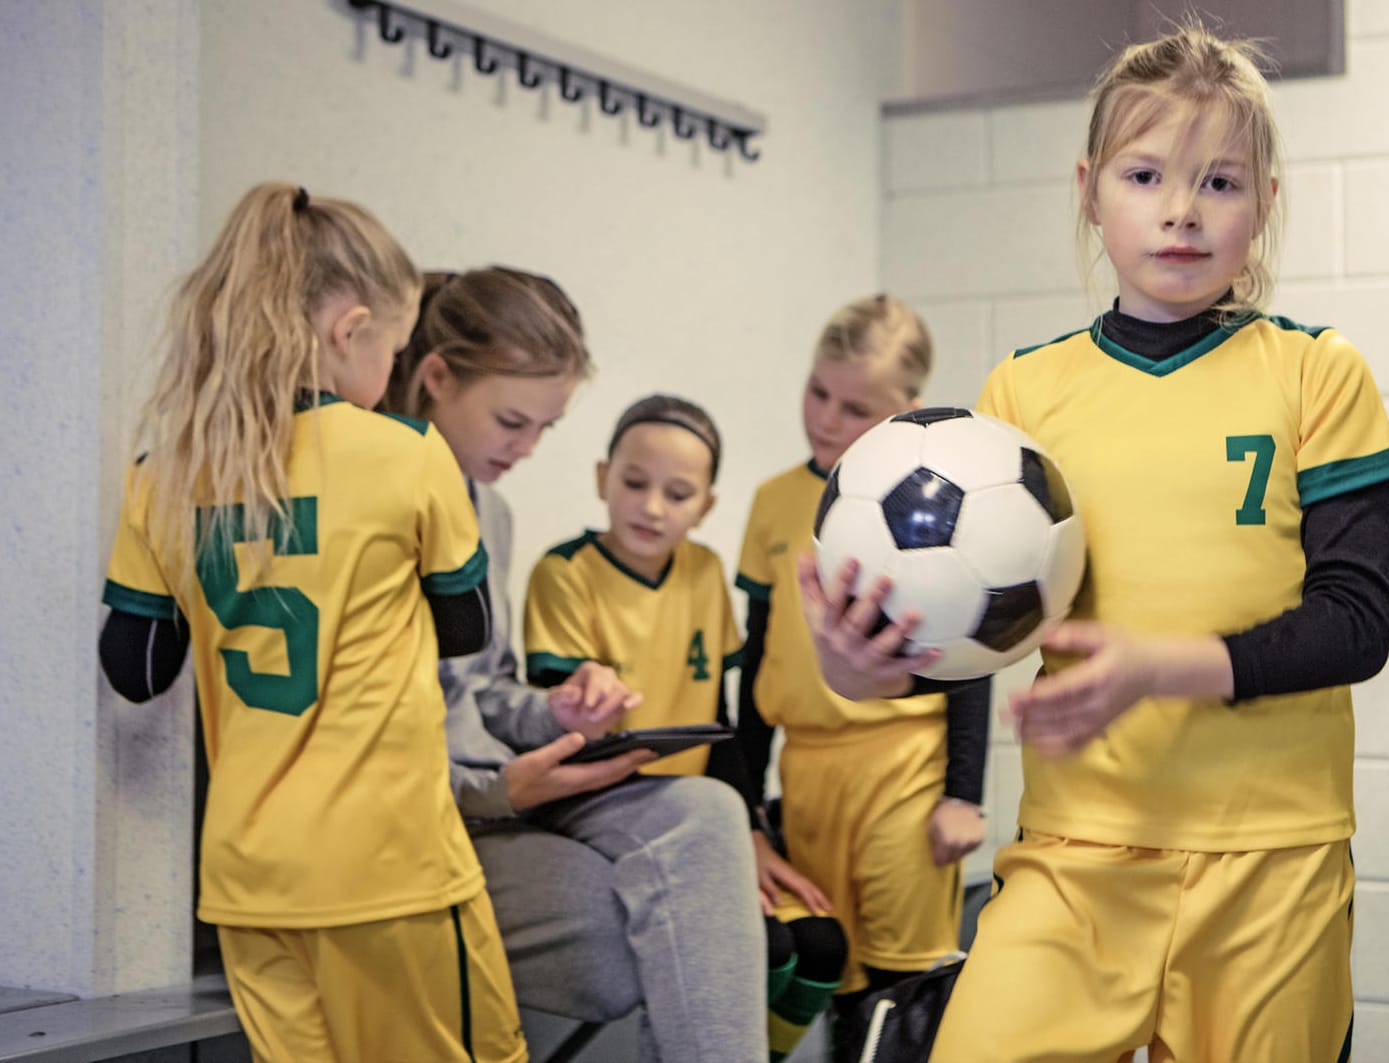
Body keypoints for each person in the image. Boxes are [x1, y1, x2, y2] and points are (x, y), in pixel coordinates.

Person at [802, 24, 1389, 1060]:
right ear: (1091, 189)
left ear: (1266, 200)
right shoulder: (1022, 395)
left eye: (1220, 181)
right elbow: (976, 638)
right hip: (1075, 855)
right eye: (1146, 174)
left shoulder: (1318, 371)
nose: (1181, 208)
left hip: (1271, 858)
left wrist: (1164, 667)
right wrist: (854, 668)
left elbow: (1356, 624)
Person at [98, 183, 524, 1061]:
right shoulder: (408, 452)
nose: (391, 376)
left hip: (249, 882)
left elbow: (136, 666)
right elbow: (467, 628)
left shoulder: (165, 472)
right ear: (349, 330)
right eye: (396, 350)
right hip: (390, 868)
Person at [383, 267, 768, 1062]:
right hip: (438, 813)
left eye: (546, 430)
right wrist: (499, 789)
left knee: (706, 813)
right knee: (619, 938)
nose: (527, 449)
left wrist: (554, 712)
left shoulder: (488, 508)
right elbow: (369, 737)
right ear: (436, 378)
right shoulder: (370, 507)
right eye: (513, 421)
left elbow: (480, 688)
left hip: (503, 788)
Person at [521, 393, 847, 1061]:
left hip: (708, 814)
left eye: (677, 493)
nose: (651, 506)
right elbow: (554, 725)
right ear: (600, 476)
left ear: (705, 506)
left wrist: (751, 833)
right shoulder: (564, 573)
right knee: (772, 951)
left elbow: (718, 719)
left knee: (822, 946)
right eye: (634, 483)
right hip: (610, 808)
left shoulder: (701, 572)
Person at [734, 294, 993, 1056]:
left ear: (904, 411)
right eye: (818, 391)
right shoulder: (772, 501)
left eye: (853, 406)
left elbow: (967, 661)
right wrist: (747, 804)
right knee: (830, 975)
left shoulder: (929, 507)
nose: (824, 416)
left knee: (897, 988)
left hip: (905, 770)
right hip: (810, 773)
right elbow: (754, 663)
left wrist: (962, 795)